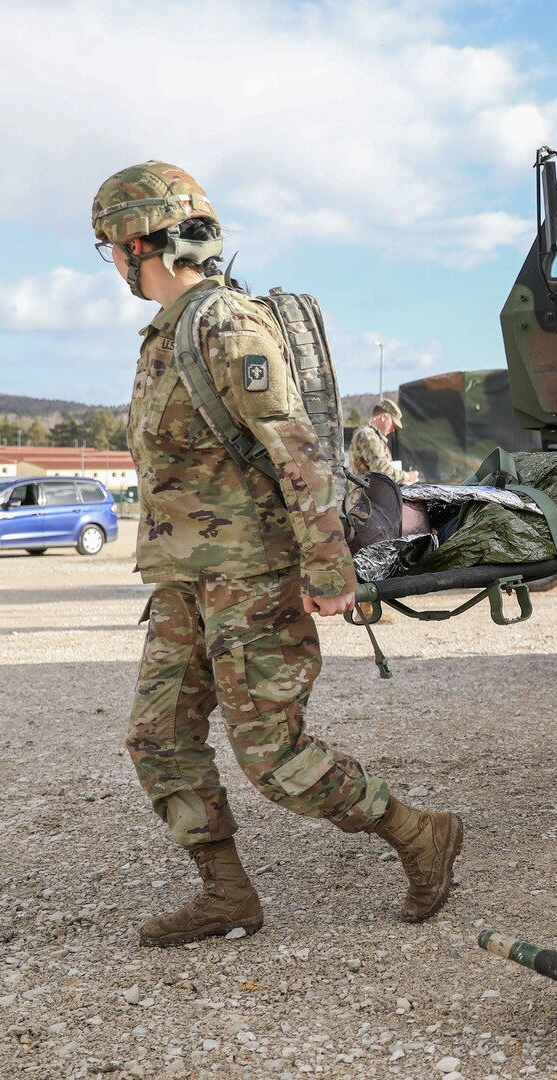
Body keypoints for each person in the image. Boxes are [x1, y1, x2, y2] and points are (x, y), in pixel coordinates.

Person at [92, 160, 461, 946]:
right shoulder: (164, 337)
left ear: (134, 246)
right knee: (157, 738)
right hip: (184, 581)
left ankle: (418, 832)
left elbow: (298, 454)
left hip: (251, 581)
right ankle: (227, 896)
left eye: (109, 249)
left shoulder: (227, 327)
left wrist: (330, 572)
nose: (114, 265)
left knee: (272, 758)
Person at [350, 401, 419, 485]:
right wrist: (408, 476)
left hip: (370, 495)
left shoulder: (373, 436)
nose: (393, 429)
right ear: (384, 417)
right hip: (366, 497)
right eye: (393, 424)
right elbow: (382, 472)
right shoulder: (368, 436)